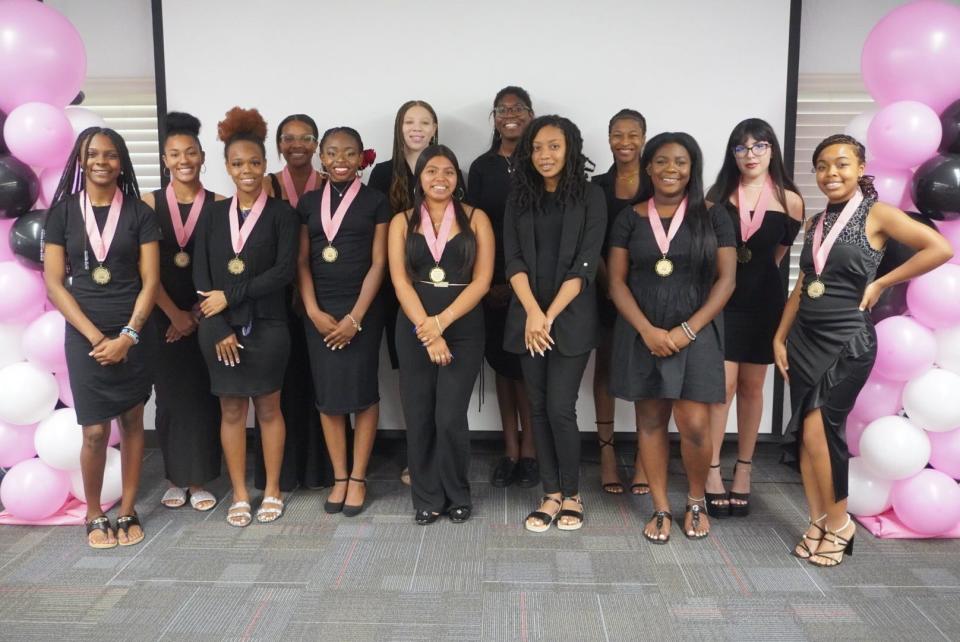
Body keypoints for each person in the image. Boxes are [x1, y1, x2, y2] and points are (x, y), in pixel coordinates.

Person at [774, 134, 951, 567]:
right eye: (822, 166)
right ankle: (818, 519)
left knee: (824, 432)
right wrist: (780, 336)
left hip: (846, 340)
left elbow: (940, 248)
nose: (831, 173)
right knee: (807, 436)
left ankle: (841, 524)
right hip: (804, 338)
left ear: (860, 168)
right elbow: (803, 285)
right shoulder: (817, 223)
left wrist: (881, 283)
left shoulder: (877, 214)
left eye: (841, 164)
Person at [607, 132, 737, 544]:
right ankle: (661, 507)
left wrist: (687, 330)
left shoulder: (714, 215)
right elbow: (615, 282)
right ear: (648, 168)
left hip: (696, 332)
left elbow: (727, 280)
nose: (670, 169)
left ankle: (695, 500)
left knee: (695, 424)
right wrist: (647, 330)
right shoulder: (630, 217)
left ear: (692, 169)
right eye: (661, 161)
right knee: (650, 420)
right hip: (643, 331)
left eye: (680, 162)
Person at [43, 127, 161, 548]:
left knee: (132, 422)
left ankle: (128, 508)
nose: (102, 162)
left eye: (111, 155)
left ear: (121, 162)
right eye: (93, 154)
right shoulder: (61, 214)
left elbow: (151, 282)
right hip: (84, 335)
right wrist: (96, 337)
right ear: (80, 160)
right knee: (94, 431)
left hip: (134, 331)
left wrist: (128, 335)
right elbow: (55, 283)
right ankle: (94, 514)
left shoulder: (140, 213)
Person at [193, 107, 298, 527]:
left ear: (266, 164)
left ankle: (271, 489)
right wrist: (217, 324)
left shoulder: (283, 214)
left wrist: (230, 295)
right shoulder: (213, 215)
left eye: (255, 162)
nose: (247, 170)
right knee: (232, 412)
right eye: (238, 164)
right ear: (226, 167)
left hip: (269, 328)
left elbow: (283, 272)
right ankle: (239, 493)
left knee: (269, 410)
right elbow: (201, 277)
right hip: (218, 331)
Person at [503, 115, 606, 533]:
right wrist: (532, 311)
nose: (545, 155)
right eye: (538, 147)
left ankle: (573, 494)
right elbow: (513, 260)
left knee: (561, 407)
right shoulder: (518, 197)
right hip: (528, 317)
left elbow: (585, 265)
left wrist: (547, 315)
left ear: (570, 149)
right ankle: (550, 493)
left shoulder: (591, 195)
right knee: (539, 409)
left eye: (554, 146)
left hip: (571, 317)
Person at [703, 118, 804, 518]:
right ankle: (711, 471)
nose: (750, 155)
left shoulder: (791, 200)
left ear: (772, 150)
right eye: (741, 148)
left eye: (759, 146)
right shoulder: (716, 197)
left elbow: (777, 258)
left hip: (765, 301)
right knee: (721, 389)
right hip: (725, 299)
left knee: (752, 388)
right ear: (732, 154)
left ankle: (743, 470)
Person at [388, 144, 493, 525]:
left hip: (463, 327)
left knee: (449, 416)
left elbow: (482, 281)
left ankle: (457, 493)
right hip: (414, 327)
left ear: (458, 179)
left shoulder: (476, 218)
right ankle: (427, 497)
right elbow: (400, 282)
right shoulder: (402, 220)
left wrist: (441, 323)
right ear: (419, 178)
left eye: (449, 171)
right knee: (419, 416)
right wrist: (428, 332)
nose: (440, 178)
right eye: (432, 171)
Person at [369, 99, 461, 486]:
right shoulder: (383, 172)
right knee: (411, 376)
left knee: (447, 377)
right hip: (399, 288)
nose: (417, 128)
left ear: (436, 127)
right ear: (399, 127)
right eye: (410, 121)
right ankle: (417, 456)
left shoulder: (449, 168)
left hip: (444, 292)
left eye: (425, 122)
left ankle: (443, 455)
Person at [297, 126, 388, 516]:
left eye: (349, 153)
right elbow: (301, 261)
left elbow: (380, 263)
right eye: (332, 153)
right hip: (319, 310)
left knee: (363, 392)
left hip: (362, 309)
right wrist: (314, 311)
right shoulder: (307, 203)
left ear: (361, 157)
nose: (340, 161)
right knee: (329, 397)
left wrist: (356, 317)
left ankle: (358, 477)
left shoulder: (376, 201)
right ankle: (338, 475)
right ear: (321, 156)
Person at [142, 112, 223, 511]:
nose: (183, 159)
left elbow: (226, 268)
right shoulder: (147, 204)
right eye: (175, 153)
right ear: (164, 159)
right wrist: (174, 315)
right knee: (171, 396)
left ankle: (201, 478)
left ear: (202, 155)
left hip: (207, 315)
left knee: (205, 396)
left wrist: (194, 314)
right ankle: (175, 477)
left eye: (190, 152)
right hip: (162, 316)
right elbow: (142, 271)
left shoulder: (221, 205)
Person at [466, 86, 539, 489]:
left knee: (526, 369)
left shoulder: (545, 161)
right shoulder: (482, 166)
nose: (510, 114)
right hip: (491, 285)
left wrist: (519, 283)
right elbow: (475, 228)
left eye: (519, 108)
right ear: (494, 118)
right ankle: (509, 450)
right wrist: (488, 283)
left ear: (531, 114)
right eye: (502, 109)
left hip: (532, 284)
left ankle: (531, 451)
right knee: (502, 367)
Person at [258, 113, 332, 494]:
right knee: (283, 386)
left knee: (321, 382)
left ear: (317, 144)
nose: (297, 145)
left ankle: (320, 468)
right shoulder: (267, 184)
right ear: (279, 145)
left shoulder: (332, 181)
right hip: (278, 302)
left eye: (306, 138)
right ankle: (284, 471)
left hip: (325, 299)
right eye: (289, 138)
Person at [590, 108, 650, 495]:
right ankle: (607, 453)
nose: (624, 142)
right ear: (608, 137)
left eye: (632, 134)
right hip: (605, 287)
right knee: (607, 366)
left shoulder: (659, 181)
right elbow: (590, 242)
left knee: (650, 370)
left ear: (644, 138)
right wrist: (610, 283)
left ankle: (647, 455)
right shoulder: (596, 186)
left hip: (651, 291)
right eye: (617, 134)